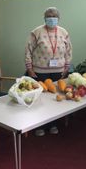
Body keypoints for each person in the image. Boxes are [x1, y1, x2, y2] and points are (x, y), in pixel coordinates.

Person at [25, 7, 72, 136]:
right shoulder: (36, 32)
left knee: (55, 98)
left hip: (59, 71)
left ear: (58, 18)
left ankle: (53, 124)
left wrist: (67, 67)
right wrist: (29, 68)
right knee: (40, 98)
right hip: (40, 71)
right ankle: (39, 125)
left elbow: (69, 51)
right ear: (45, 18)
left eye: (54, 16)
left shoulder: (64, 32)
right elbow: (28, 50)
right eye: (49, 16)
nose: (51, 18)